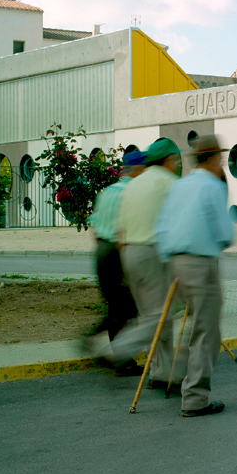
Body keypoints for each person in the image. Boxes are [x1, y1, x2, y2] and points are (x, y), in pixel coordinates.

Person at [154, 134, 237, 417]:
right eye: (221, 159)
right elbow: (225, 232)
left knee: (193, 324)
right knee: (207, 331)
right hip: (201, 263)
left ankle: (181, 372)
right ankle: (194, 398)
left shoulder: (180, 186)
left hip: (174, 261)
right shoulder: (211, 187)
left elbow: (163, 227)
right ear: (215, 159)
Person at [103, 137, 183, 377]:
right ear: (168, 160)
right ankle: (118, 350)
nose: (177, 164)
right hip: (152, 252)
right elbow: (180, 221)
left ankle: (161, 372)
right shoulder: (169, 181)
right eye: (176, 159)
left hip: (129, 252)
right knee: (160, 317)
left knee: (155, 316)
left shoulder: (133, 184)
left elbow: (119, 231)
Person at [86, 150, 144, 353]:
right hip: (117, 251)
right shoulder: (133, 193)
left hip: (101, 249)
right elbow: (122, 231)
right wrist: (125, 264)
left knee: (114, 305)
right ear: (138, 170)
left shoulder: (107, 192)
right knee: (127, 307)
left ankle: (96, 339)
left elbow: (93, 226)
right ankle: (123, 359)